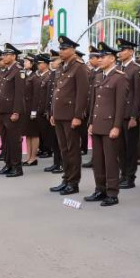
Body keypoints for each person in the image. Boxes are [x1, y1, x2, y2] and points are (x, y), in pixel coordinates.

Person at [86, 42, 128, 206]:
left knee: (110, 160)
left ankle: (112, 192)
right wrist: (90, 122)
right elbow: (94, 103)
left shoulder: (120, 77)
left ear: (112, 58)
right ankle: (100, 189)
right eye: (99, 57)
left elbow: (120, 105)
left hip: (110, 125)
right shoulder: (98, 76)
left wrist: (116, 126)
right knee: (98, 160)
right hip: (97, 124)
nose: (99, 60)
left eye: (102, 57)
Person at [49, 36, 89, 194]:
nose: (61, 51)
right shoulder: (62, 66)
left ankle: (74, 182)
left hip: (71, 115)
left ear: (73, 50)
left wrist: (78, 116)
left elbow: (82, 93)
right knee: (63, 149)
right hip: (60, 114)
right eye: (60, 49)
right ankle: (66, 179)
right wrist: (53, 112)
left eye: (64, 49)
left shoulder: (79, 67)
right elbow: (56, 91)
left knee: (72, 150)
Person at [115, 38, 140, 189]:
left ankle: (130, 177)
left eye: (123, 50)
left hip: (129, 114)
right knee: (120, 147)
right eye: (119, 50)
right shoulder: (118, 68)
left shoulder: (136, 69)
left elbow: (138, 95)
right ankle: (123, 174)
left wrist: (134, 115)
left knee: (130, 148)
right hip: (119, 114)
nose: (120, 52)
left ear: (131, 52)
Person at [0, 43, 26, 178]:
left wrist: (16, 112)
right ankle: (8, 165)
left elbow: (20, 93)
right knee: (5, 140)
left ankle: (16, 167)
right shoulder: (5, 70)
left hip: (12, 111)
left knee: (14, 140)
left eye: (7, 55)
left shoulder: (18, 70)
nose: (4, 57)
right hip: (3, 111)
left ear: (13, 56)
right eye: (4, 55)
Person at [22, 55, 43, 167]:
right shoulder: (25, 76)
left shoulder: (35, 77)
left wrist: (34, 111)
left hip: (32, 109)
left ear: (32, 64)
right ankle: (28, 156)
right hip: (25, 109)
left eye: (26, 61)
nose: (24, 63)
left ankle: (33, 157)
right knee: (28, 134)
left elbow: (36, 96)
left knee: (34, 134)